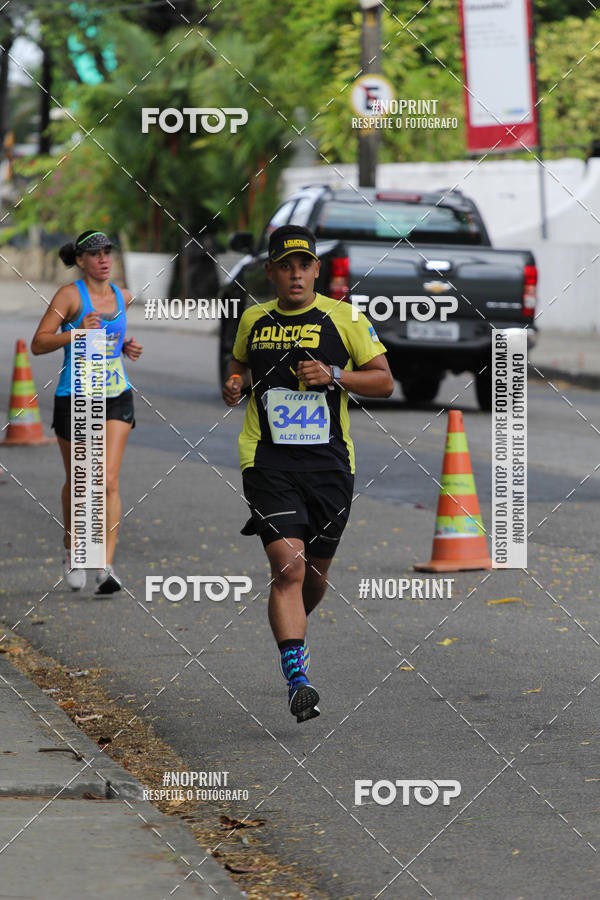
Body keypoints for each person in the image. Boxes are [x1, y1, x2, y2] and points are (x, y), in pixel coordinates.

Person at [222, 224, 394, 722]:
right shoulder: (253, 319)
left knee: (313, 577)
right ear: (271, 271)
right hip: (267, 460)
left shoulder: (345, 319)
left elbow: (384, 381)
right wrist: (234, 385)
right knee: (288, 569)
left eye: (304, 265)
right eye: (285, 266)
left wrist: (336, 375)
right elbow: (238, 368)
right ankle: (297, 676)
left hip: (330, 465)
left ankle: (292, 631)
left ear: (317, 269)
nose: (295, 274)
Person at [31, 230, 143, 594]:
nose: (103, 259)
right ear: (81, 261)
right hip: (76, 395)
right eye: (95, 254)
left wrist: (125, 344)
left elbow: (112, 335)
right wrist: (77, 332)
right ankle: (73, 551)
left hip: (116, 394)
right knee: (82, 482)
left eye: (107, 252)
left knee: (107, 481)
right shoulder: (69, 296)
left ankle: (105, 565)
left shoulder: (122, 296)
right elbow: (39, 343)